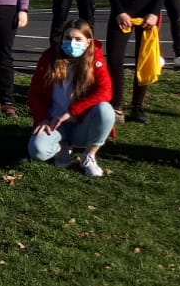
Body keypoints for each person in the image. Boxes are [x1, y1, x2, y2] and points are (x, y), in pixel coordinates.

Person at [27, 21, 115, 178]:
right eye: (67, 38)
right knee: (37, 151)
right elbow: (34, 94)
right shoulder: (49, 57)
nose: (71, 43)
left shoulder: (95, 58)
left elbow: (106, 91)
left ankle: (89, 156)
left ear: (88, 42)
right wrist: (42, 119)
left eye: (78, 39)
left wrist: (71, 112)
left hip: (81, 122)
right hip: (54, 122)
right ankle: (62, 147)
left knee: (106, 110)